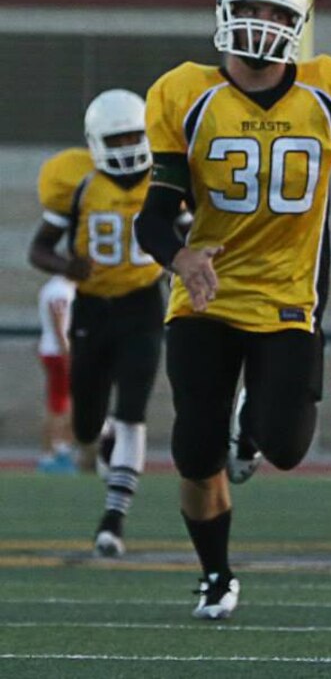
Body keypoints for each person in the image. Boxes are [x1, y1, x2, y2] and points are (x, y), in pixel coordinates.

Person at [133, 0, 331, 621]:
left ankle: (250, 434)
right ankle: (216, 575)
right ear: (223, 13)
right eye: (249, 9)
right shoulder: (186, 94)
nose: (260, 24)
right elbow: (153, 216)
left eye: (275, 13)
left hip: (288, 293)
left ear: (297, 24)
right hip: (206, 293)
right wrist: (182, 257)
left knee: (285, 445)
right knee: (193, 445)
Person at [29, 90, 165, 555]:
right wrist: (65, 265)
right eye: (118, 138)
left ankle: (114, 518)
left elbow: (188, 230)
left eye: (135, 136)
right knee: (86, 426)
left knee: (132, 410)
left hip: (144, 304)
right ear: (96, 142)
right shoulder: (76, 180)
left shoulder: (165, 176)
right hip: (91, 308)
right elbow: (39, 248)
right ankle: (101, 436)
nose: (128, 147)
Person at [35, 275, 76, 473]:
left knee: (62, 403)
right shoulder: (61, 289)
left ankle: (59, 448)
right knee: (58, 405)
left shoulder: (53, 286)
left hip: (52, 349)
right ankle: (51, 452)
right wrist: (67, 353)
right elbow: (59, 324)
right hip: (58, 352)